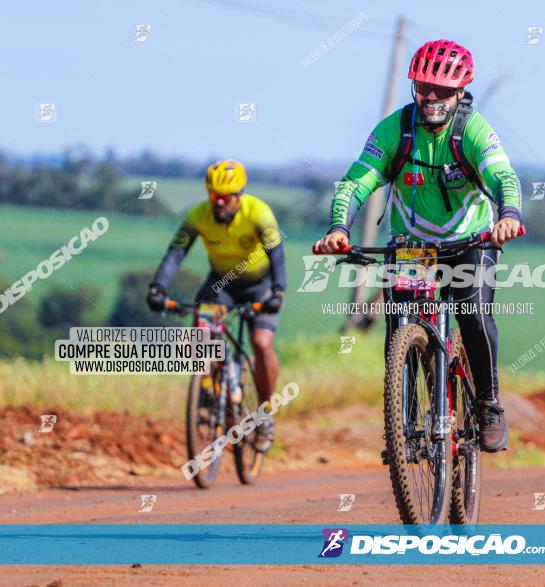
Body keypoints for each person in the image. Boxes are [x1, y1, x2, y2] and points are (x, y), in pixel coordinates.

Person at [314, 39, 524, 451]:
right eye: (423, 88)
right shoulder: (395, 129)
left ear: (461, 91)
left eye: (443, 91)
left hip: (472, 241)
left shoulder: (474, 130)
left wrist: (509, 216)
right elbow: (357, 181)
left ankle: (488, 404)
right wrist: (340, 226)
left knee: (473, 315)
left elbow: (503, 177)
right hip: (412, 247)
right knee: (401, 326)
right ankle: (405, 420)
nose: (431, 98)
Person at [147, 159, 286, 452]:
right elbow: (176, 252)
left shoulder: (258, 213)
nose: (219, 202)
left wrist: (278, 290)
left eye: (226, 197)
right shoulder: (199, 214)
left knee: (261, 343)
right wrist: (158, 286)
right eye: (214, 196)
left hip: (260, 287)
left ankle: (265, 415)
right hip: (221, 286)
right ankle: (209, 391)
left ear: (240, 195)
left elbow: (278, 254)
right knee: (201, 335)